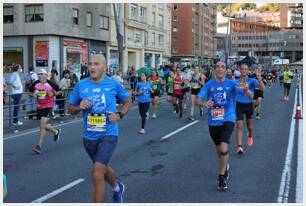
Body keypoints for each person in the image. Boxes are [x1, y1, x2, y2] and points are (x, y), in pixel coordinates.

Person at [68, 54, 132, 203]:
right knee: (103, 168)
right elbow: (70, 109)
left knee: (97, 174)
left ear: (104, 68)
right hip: (89, 137)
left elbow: (127, 101)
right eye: (90, 64)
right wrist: (79, 107)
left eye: (96, 64)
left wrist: (119, 114)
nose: (92, 67)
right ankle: (117, 188)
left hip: (109, 134)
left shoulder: (113, 84)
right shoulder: (81, 85)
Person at [197, 61, 253, 191]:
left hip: (228, 118)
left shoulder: (232, 83)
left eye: (223, 67)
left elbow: (249, 95)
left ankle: (221, 177)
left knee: (223, 148)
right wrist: (204, 104)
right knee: (219, 151)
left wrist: (246, 90)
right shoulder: (209, 84)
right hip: (213, 121)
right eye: (218, 66)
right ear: (215, 69)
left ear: (226, 70)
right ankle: (225, 165)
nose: (220, 69)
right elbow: (198, 99)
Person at [28, 69, 62, 154]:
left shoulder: (50, 83)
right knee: (42, 125)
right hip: (39, 106)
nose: (39, 75)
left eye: (41, 74)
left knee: (42, 124)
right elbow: (29, 92)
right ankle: (55, 131)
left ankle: (38, 146)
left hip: (48, 106)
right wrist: (34, 95)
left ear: (46, 75)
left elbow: (60, 91)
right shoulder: (36, 83)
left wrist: (53, 94)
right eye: (38, 74)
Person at [235, 64, 265, 155]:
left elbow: (262, 88)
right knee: (239, 125)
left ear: (248, 71)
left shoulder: (252, 80)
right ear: (239, 70)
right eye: (242, 69)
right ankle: (239, 146)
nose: (244, 71)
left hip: (249, 105)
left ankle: (250, 134)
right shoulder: (235, 81)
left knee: (250, 127)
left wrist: (259, 78)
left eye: (246, 69)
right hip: (239, 105)